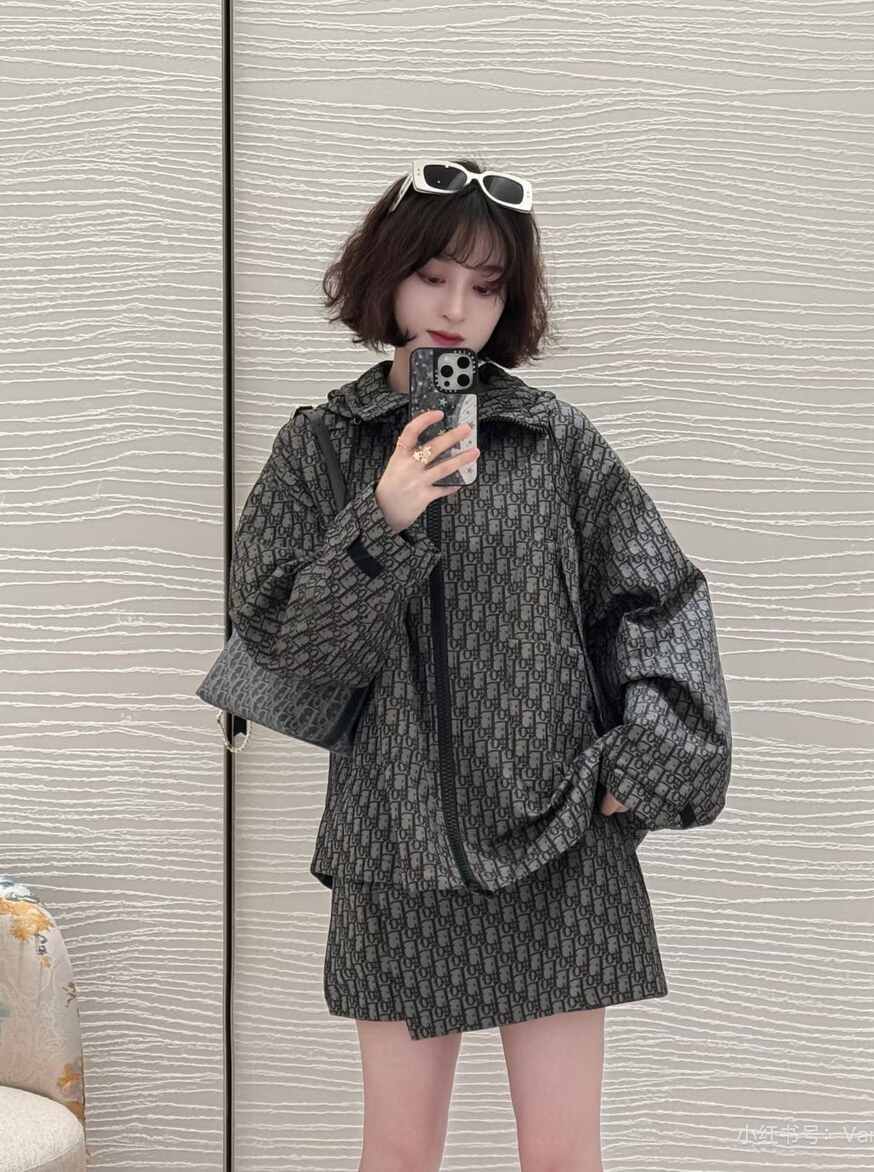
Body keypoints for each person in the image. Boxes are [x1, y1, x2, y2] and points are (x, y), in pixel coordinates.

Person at [228, 158, 732, 1172]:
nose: (456, 310)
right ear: (388, 274)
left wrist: (643, 764)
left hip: (560, 844)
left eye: (487, 286)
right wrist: (383, 516)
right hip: (392, 850)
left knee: (562, 1157)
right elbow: (286, 641)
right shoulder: (320, 449)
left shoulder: (554, 443)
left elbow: (661, 595)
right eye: (433, 276)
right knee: (398, 1155)